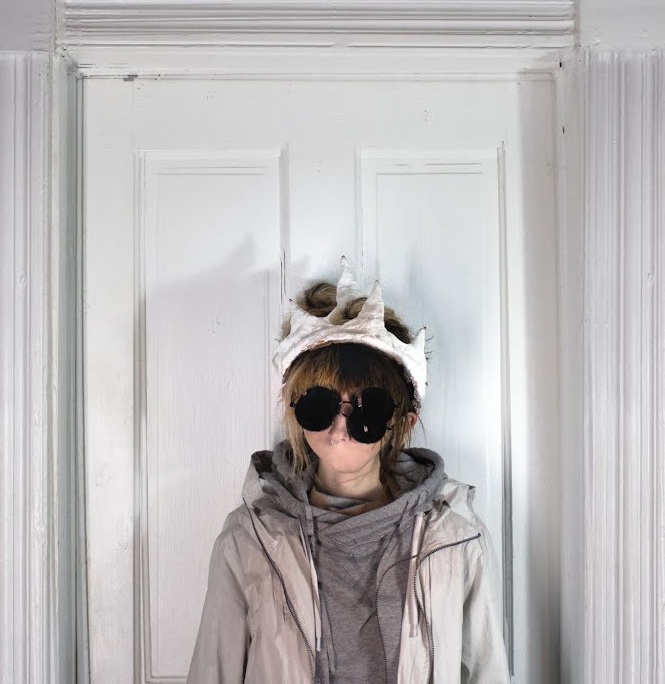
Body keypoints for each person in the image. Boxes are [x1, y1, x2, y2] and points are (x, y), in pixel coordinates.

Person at [186, 258, 510, 684]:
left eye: (367, 411)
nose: (339, 428)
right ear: (294, 410)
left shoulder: (454, 536)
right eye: (319, 405)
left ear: (403, 422)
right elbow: (214, 671)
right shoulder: (250, 539)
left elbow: (486, 670)